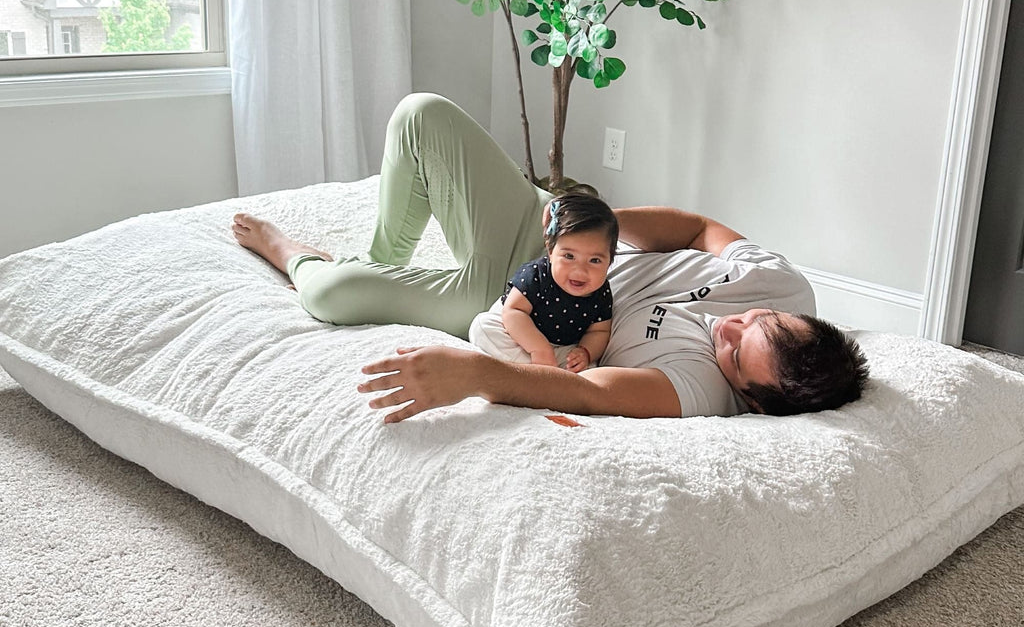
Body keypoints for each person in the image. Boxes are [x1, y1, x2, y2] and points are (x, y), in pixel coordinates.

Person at [232, 93, 869, 424]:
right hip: (556, 240)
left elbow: (584, 391)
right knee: (420, 114)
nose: (728, 327)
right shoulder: (783, 285)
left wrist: (474, 375)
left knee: (332, 296)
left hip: (519, 305)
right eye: (755, 322)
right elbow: (699, 228)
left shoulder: (693, 390)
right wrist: (597, 227)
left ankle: (295, 255)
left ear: (752, 401)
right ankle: (379, 257)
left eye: (734, 352)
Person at [468, 192, 617, 373]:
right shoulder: (536, 275)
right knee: (482, 327)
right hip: (518, 333)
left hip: (561, 348)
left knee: (589, 370)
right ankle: (539, 373)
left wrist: (585, 352)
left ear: (610, 260)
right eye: (569, 256)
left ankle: (542, 373)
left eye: (594, 260)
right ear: (551, 251)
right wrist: (538, 348)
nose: (580, 271)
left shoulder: (601, 292)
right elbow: (513, 312)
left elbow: (599, 332)